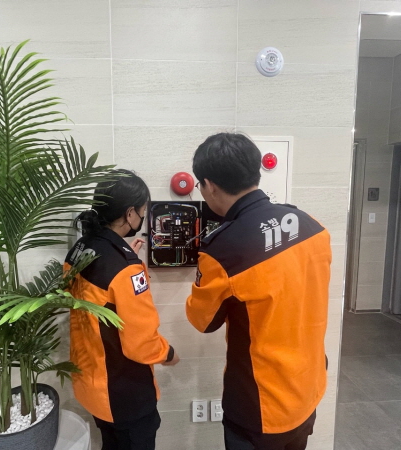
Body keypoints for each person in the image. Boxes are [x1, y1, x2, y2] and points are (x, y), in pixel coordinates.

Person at [186, 133, 331, 450]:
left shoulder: (223, 250)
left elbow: (203, 321)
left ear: (209, 185)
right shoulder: (311, 224)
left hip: (261, 404)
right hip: (307, 388)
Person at [64, 169, 180, 450]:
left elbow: (89, 297)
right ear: (130, 214)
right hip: (123, 394)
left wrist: (129, 261)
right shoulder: (125, 269)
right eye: (142, 212)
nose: (142, 217)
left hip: (91, 382)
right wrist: (168, 354)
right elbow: (141, 342)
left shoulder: (81, 246)